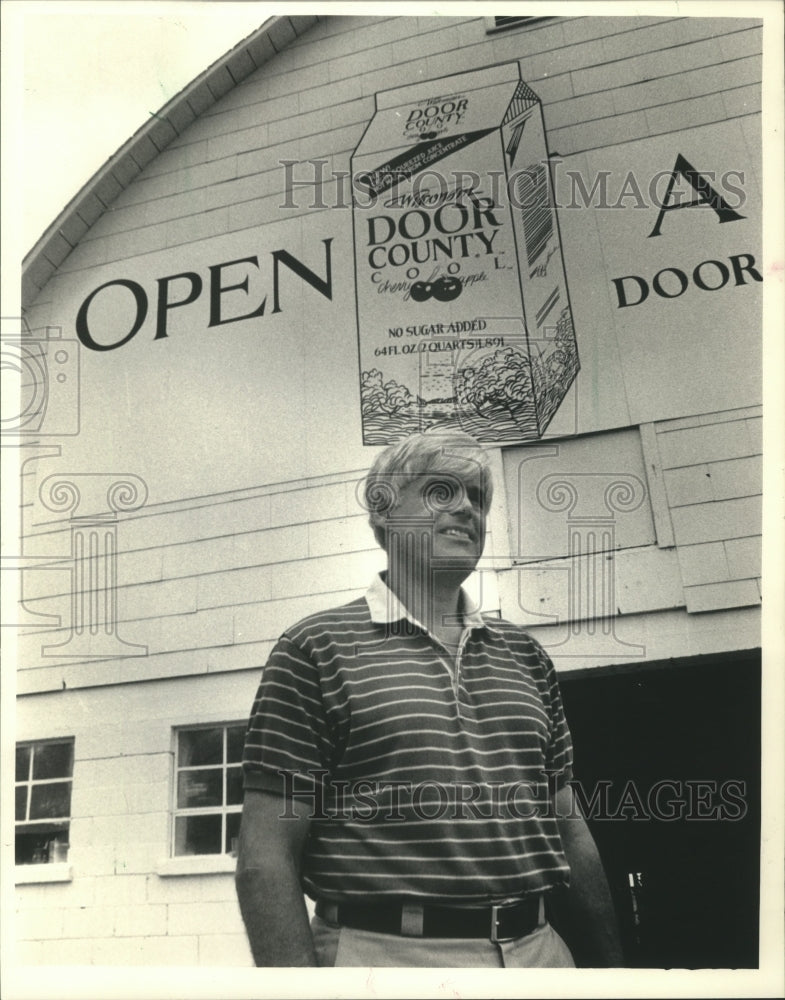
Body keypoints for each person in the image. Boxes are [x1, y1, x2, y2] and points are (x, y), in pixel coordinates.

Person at [236, 429, 623, 967]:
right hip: (388, 960)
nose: (467, 507)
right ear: (384, 515)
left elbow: (568, 826)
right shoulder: (314, 649)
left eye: (477, 497)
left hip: (541, 954)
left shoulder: (526, 655)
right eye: (442, 492)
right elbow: (265, 856)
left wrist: (612, 972)